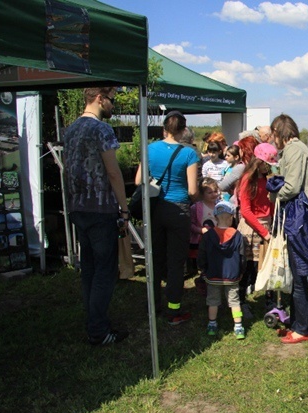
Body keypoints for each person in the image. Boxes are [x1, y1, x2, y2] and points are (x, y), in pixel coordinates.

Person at [64, 87, 130, 345]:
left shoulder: (70, 129)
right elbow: (113, 172)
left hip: (78, 207)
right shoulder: (101, 129)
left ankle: (93, 321)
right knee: (104, 270)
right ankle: (99, 330)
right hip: (100, 208)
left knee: (89, 269)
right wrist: (124, 209)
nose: (113, 105)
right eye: (111, 101)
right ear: (100, 99)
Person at [135, 111, 199, 324]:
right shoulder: (189, 154)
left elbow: (138, 181)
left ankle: (152, 307)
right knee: (175, 262)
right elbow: (192, 191)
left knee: (154, 259)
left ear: (164, 129)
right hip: (179, 209)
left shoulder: (149, 148)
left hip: (155, 208)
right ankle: (174, 310)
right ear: (183, 131)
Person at [271, 114, 308, 344]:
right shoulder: (297, 149)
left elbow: (291, 186)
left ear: (280, 132)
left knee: (300, 274)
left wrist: (273, 194)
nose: (273, 140)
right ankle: (299, 321)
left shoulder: (293, 150)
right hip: (301, 215)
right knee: (296, 272)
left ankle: (303, 328)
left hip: (302, 218)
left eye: (274, 135)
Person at [198, 201, 246, 339]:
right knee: (235, 302)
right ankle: (238, 326)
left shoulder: (207, 236)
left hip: (213, 276)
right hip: (232, 276)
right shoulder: (238, 236)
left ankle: (212, 324)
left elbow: (202, 255)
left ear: (215, 218)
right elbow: (242, 257)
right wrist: (241, 271)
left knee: (212, 301)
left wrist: (203, 269)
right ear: (231, 217)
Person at [237, 143, 277, 307]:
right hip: (251, 228)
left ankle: (269, 299)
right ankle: (241, 301)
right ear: (259, 162)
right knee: (248, 267)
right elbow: (246, 210)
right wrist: (263, 232)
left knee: (268, 265)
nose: (269, 168)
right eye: (267, 164)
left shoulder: (264, 179)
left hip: (266, 225)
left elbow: (268, 203)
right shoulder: (248, 179)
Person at [189, 177, 219, 274]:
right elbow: (191, 224)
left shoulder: (219, 206)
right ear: (202, 194)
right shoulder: (196, 207)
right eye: (210, 193)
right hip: (200, 239)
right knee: (201, 257)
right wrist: (200, 230)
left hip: (216, 237)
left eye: (215, 191)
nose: (214, 194)